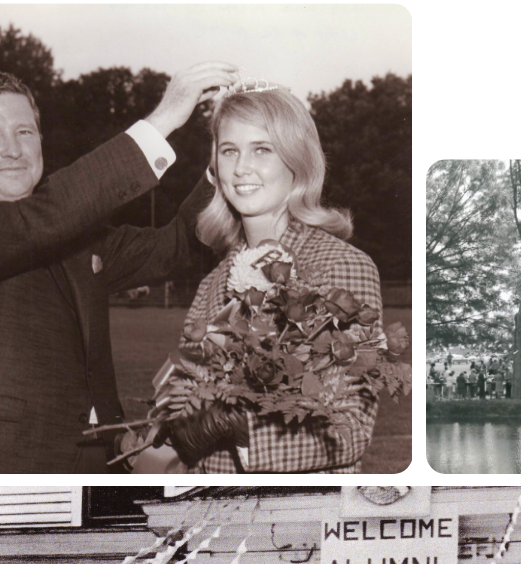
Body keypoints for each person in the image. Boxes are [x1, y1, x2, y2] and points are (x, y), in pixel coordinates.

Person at [0, 64, 233, 473]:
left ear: (41, 140)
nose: (12, 149)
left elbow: (181, 246)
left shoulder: (75, 235)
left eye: (25, 132)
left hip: (107, 463)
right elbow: (41, 220)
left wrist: (231, 158)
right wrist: (162, 121)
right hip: (3, 466)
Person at [123, 84, 383, 474]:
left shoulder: (340, 266)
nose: (241, 167)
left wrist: (237, 429)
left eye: (262, 149)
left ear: (297, 159)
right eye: (229, 151)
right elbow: (184, 418)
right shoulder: (212, 284)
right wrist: (155, 444)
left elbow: (348, 430)